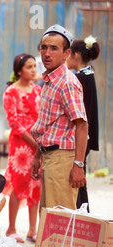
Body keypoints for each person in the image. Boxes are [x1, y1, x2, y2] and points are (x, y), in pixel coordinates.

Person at [30, 24, 88, 211]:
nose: (47, 53)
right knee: (48, 219)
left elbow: (82, 125)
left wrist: (78, 165)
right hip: (49, 156)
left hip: (63, 159)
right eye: (44, 47)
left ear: (66, 54)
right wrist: (38, 156)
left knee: (59, 222)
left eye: (54, 48)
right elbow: (49, 125)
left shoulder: (67, 83)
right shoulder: (50, 80)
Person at [2, 53, 42, 243]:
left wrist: (40, 141)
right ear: (19, 71)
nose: (34, 70)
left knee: (36, 184)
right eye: (29, 67)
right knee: (19, 184)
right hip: (20, 145)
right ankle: (11, 228)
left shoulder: (38, 90)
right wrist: (35, 142)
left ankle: (32, 230)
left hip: (38, 142)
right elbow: (14, 122)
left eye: (35, 66)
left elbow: (43, 118)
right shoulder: (11, 92)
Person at [66, 35, 100, 212]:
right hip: (85, 135)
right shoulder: (88, 74)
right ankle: (84, 215)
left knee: (76, 181)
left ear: (76, 56)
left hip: (80, 136)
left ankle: (80, 217)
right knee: (81, 181)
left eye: (68, 54)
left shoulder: (79, 78)